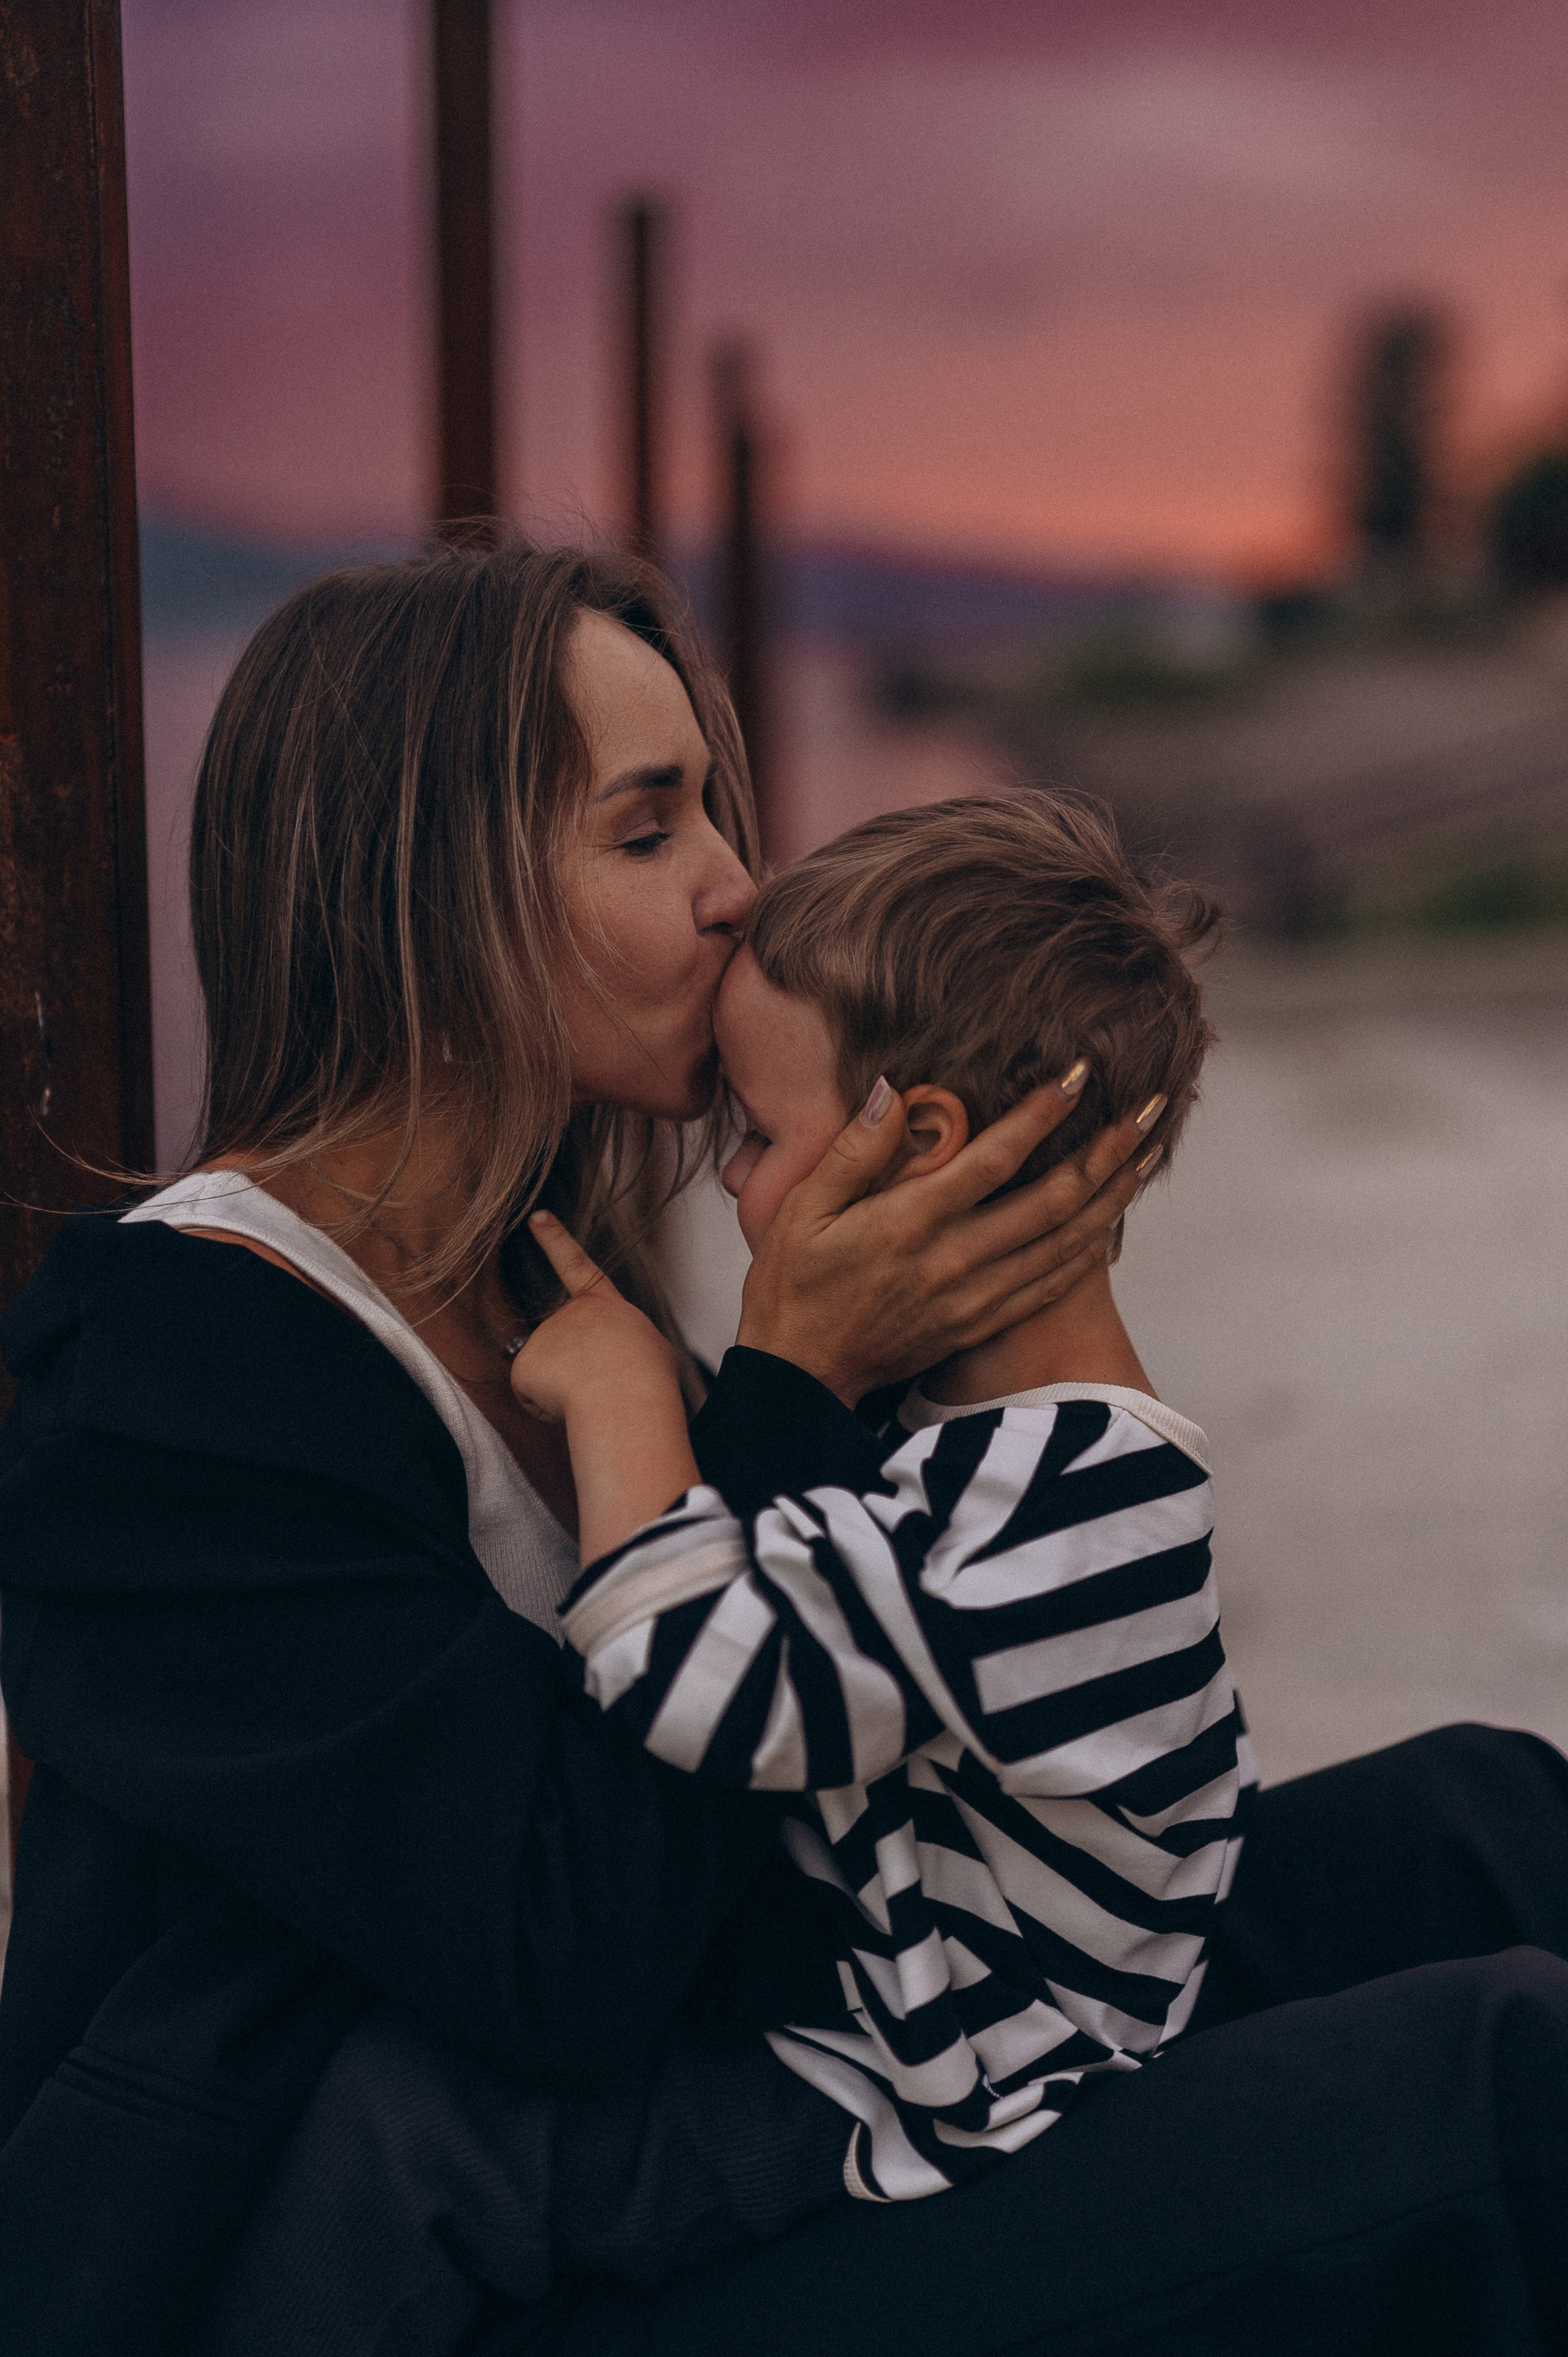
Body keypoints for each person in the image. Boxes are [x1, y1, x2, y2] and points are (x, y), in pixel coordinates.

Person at [0, 537, 1152, 2357]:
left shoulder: (549, 1276)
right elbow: (570, 1952)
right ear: (425, 896)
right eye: (646, 828)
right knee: (1487, 2082)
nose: (735, 886)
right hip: (389, 2266)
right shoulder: (178, 1377)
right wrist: (792, 1379)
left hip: (724, 2115)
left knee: (1476, 1821)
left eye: (713, 812)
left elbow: (836, 1733)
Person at [530, 795, 1250, 2204]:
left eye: (754, 1132)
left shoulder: (1070, 1502)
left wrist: (622, 1393)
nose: (729, 1174)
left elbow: (707, 1687)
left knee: (452, 2161)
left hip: (942, 2109)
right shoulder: (995, 1446)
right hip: (905, 2030)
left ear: (914, 1143)